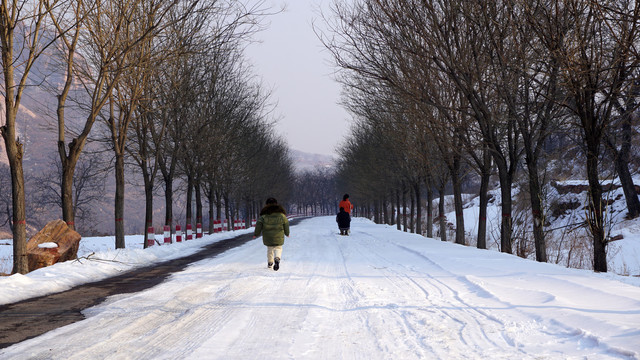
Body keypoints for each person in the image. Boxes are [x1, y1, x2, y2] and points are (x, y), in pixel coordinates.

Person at [253, 197, 289, 271]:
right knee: (278, 248)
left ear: (266, 205)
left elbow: (259, 224)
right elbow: (286, 224)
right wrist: (287, 233)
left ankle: (270, 263)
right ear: (276, 204)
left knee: (270, 249)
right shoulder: (281, 215)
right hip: (278, 235)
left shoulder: (263, 216)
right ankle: (277, 258)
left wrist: (256, 234)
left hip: (268, 236)